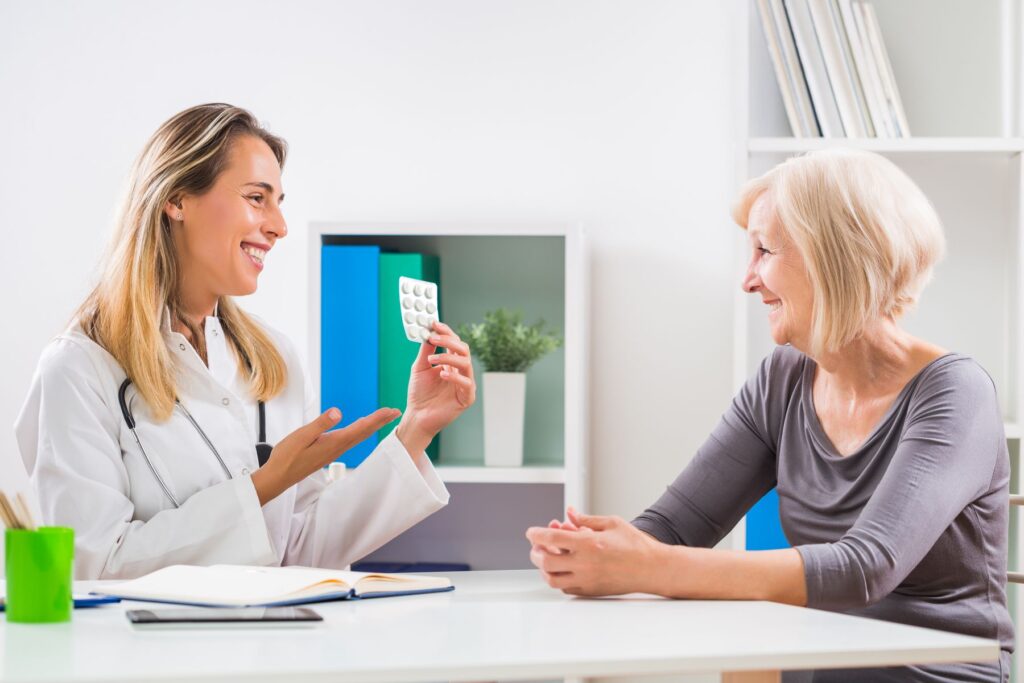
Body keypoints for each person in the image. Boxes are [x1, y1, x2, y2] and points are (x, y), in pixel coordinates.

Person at [526, 149, 1012, 681]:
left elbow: (864, 567)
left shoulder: (955, 393)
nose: (748, 280)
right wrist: (593, 550)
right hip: (819, 666)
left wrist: (647, 564)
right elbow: (674, 529)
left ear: (835, 256)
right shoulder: (781, 380)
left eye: (764, 251)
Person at [17, 103, 476, 580]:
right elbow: (92, 566)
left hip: (272, 649)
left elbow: (300, 550)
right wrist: (262, 486)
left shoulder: (274, 360)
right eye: (257, 198)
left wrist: (416, 430)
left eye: (279, 202)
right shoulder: (78, 368)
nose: (279, 226)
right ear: (176, 200)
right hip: (151, 652)